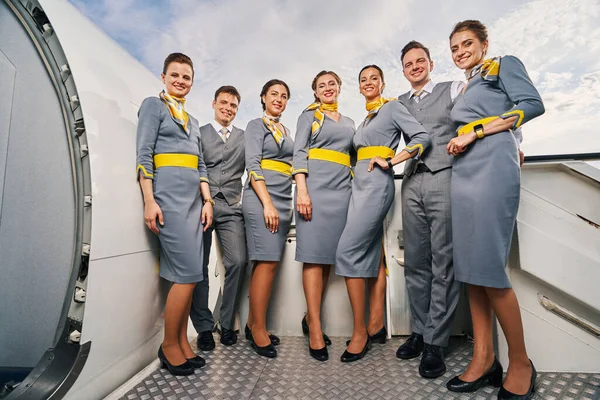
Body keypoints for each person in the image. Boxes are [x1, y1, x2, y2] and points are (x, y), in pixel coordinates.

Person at [445, 20, 544, 400]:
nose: (460, 51)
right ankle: (483, 358)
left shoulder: (503, 65)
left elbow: (532, 105)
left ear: (484, 44)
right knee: (471, 269)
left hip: (491, 164)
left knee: (488, 267)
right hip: (464, 171)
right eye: (454, 48)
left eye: (467, 44)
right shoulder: (464, 84)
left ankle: (520, 362)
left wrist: (479, 131)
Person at [335, 65, 430, 363]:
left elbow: (421, 138)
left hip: (377, 185)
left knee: (347, 252)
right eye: (363, 79)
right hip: (357, 186)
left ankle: (359, 332)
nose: (368, 83)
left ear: (382, 82)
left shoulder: (392, 108)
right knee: (373, 255)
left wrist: (393, 159)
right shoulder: (365, 119)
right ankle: (376, 324)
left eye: (373, 78)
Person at [136, 53, 214, 376]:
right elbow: (144, 154)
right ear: (164, 77)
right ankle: (169, 346)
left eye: (186, 77)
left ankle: (183, 343)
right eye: (175, 75)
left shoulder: (192, 121)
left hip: (194, 204)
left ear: (192, 82)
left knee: (194, 275)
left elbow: (201, 164)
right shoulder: (153, 107)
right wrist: (149, 200)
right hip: (168, 200)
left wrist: (208, 200)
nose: (181, 81)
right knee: (186, 275)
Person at [395, 40, 462, 379]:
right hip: (411, 182)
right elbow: (380, 138)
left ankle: (436, 341)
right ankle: (420, 333)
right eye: (409, 63)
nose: (415, 66)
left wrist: (517, 141)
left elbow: (486, 112)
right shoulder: (399, 103)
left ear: (430, 64)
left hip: (444, 179)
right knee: (416, 263)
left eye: (420, 61)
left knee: (443, 262)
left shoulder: (453, 89)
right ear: (404, 70)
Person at [292, 71, 355, 361]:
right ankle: (315, 327)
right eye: (321, 86)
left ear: (339, 88)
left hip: (342, 193)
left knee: (328, 255)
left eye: (332, 84)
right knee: (313, 256)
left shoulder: (351, 123)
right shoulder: (308, 116)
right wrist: (302, 191)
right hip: (314, 190)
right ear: (315, 92)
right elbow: (299, 153)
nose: (327, 88)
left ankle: (309, 318)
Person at [190, 86, 247, 350]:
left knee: (237, 261)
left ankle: (226, 324)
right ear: (214, 103)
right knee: (198, 267)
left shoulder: (245, 137)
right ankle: (203, 328)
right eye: (223, 103)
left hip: (233, 206)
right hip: (201, 205)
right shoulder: (198, 133)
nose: (228, 108)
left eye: (233, 105)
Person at [242, 79, 294, 358]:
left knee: (269, 264)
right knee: (266, 261)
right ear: (263, 97)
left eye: (284, 96)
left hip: (284, 198)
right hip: (262, 199)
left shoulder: (285, 130)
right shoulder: (255, 125)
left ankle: (253, 324)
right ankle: (258, 329)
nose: (279, 99)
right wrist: (267, 204)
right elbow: (253, 165)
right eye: (274, 94)